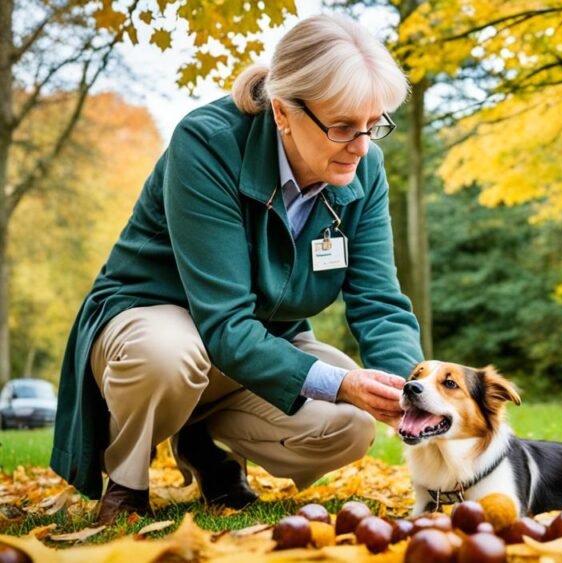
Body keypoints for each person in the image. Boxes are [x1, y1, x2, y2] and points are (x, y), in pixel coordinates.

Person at [50, 13, 423, 524]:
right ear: (283, 111)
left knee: (350, 424)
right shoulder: (208, 143)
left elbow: (379, 302)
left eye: (372, 124)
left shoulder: (364, 166)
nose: (361, 145)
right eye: (342, 127)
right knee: (169, 354)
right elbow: (223, 321)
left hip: (256, 344)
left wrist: (414, 391)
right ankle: (127, 484)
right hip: (154, 321)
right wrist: (338, 381)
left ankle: (201, 440)